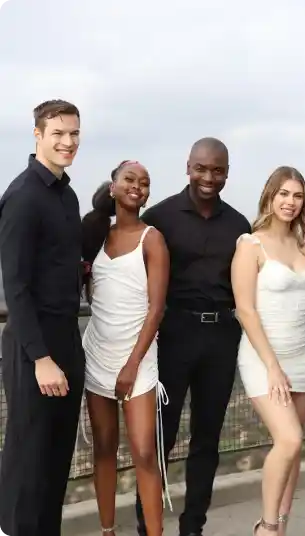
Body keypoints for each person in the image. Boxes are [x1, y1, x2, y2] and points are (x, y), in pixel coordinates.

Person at [134, 137, 251, 536]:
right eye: (202, 168)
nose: (208, 177)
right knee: (157, 439)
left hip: (221, 335)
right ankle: (146, 526)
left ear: (227, 174)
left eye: (217, 170)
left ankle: (192, 528)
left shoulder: (239, 225)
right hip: (172, 335)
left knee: (207, 439)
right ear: (188, 167)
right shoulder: (160, 217)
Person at [0, 100, 84, 536]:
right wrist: (41, 358)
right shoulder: (21, 196)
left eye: (73, 133)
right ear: (37, 135)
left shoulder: (66, 194)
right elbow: (16, 287)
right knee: (27, 464)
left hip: (66, 338)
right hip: (34, 349)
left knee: (55, 462)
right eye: (58, 133)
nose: (68, 142)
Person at [231, 166, 305, 536]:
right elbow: (245, 310)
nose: (290, 202)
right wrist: (272, 366)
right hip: (263, 358)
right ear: (270, 197)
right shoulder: (249, 244)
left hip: (304, 354)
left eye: (297, 195)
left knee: (293, 445)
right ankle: (267, 527)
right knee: (288, 440)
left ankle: (283, 525)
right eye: (283, 194)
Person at [80, 161, 171, 536]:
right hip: (97, 354)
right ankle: (107, 531)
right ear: (113, 186)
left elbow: (157, 308)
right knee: (103, 449)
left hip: (138, 359)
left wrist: (132, 365)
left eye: (144, 183)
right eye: (130, 180)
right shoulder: (96, 236)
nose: (138, 186)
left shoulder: (153, 239)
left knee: (144, 453)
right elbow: (90, 291)